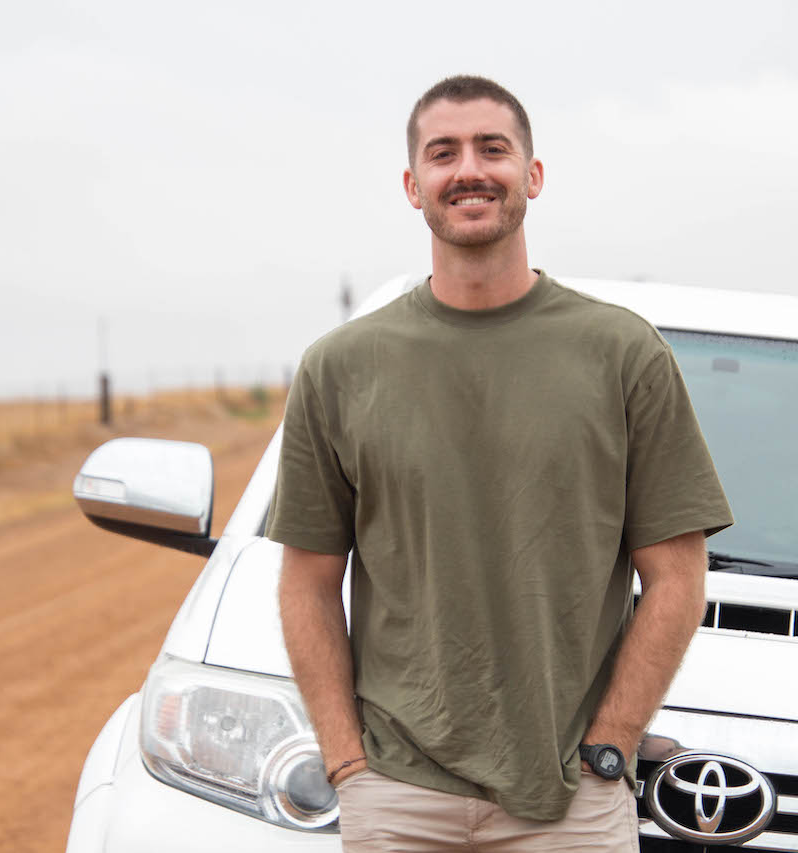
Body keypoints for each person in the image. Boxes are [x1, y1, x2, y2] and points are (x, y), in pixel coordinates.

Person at [268, 75, 733, 851]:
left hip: (568, 803)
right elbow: (308, 581)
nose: (469, 170)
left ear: (533, 174)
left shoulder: (623, 353)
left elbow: (678, 578)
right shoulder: (341, 367)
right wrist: (348, 760)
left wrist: (611, 743)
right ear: (413, 185)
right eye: (443, 153)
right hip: (398, 796)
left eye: (493, 149)